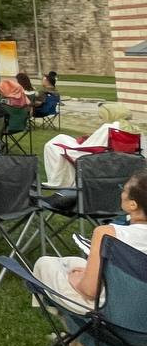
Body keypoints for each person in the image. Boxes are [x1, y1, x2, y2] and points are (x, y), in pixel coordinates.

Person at [31, 171, 147, 314]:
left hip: (111, 309)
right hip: (140, 304)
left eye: (124, 190)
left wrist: (76, 279)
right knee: (74, 261)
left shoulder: (108, 234)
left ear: (133, 205)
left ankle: (70, 322)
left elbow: (90, 291)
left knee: (44, 264)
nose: (121, 193)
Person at [41, 102, 145, 188]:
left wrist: (81, 142)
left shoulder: (109, 127)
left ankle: (59, 181)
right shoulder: (135, 129)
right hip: (124, 164)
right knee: (62, 138)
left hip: (98, 160)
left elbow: (89, 147)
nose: (102, 119)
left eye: (102, 116)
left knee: (54, 145)